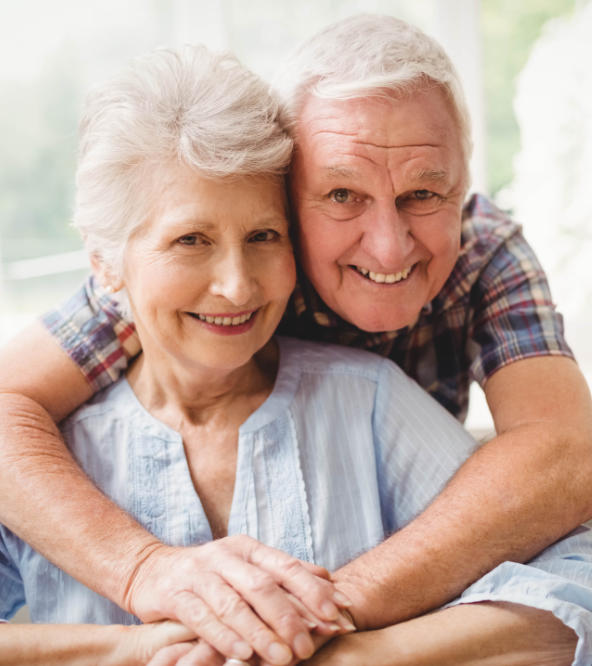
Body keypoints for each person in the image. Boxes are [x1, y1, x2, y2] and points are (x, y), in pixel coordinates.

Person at [0, 10, 591, 662]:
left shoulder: (471, 269)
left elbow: (565, 456)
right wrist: (142, 575)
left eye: (425, 192)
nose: (390, 245)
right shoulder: (151, 287)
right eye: (342, 194)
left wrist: (316, 618)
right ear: (291, 191)